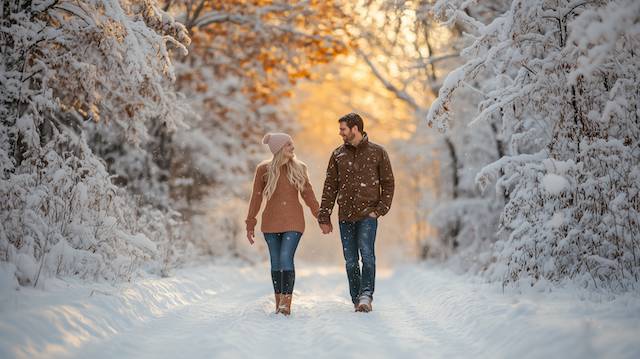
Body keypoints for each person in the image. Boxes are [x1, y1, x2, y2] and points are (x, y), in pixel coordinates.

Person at [318, 113, 395, 312]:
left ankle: (366, 296)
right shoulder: (337, 155)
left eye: (343, 129)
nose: (340, 133)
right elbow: (330, 187)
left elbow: (388, 183)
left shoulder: (378, 152)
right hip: (345, 216)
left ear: (355, 129)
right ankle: (356, 298)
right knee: (351, 261)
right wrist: (324, 215)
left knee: (367, 256)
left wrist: (380, 210)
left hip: (368, 215)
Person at [245, 133, 320, 316]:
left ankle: (286, 303)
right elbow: (256, 198)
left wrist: (320, 216)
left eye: (292, 144)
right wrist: (250, 223)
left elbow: (308, 195)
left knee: (286, 258)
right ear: (278, 149)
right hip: (270, 223)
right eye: (288, 145)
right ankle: (278, 301)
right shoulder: (263, 170)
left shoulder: (299, 168)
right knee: (275, 262)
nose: (292, 147)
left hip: (294, 222)